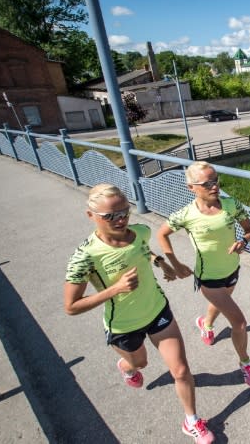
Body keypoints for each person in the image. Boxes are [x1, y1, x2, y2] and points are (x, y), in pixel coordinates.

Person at [63, 184, 214, 444]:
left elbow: (142, 249)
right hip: (123, 325)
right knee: (140, 363)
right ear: (91, 216)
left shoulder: (140, 231)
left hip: (157, 310)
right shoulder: (85, 256)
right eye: (110, 216)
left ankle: (191, 421)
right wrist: (115, 289)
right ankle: (127, 366)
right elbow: (71, 307)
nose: (120, 219)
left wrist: (161, 263)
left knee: (180, 370)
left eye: (124, 211)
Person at [156, 161, 250, 387]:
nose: (214, 186)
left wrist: (243, 241)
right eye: (207, 184)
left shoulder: (230, 204)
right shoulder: (186, 215)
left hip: (232, 269)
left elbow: (249, 230)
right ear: (191, 187)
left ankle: (206, 323)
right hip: (208, 278)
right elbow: (162, 234)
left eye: (216, 181)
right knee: (239, 323)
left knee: (223, 303)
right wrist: (174, 262)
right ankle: (246, 363)